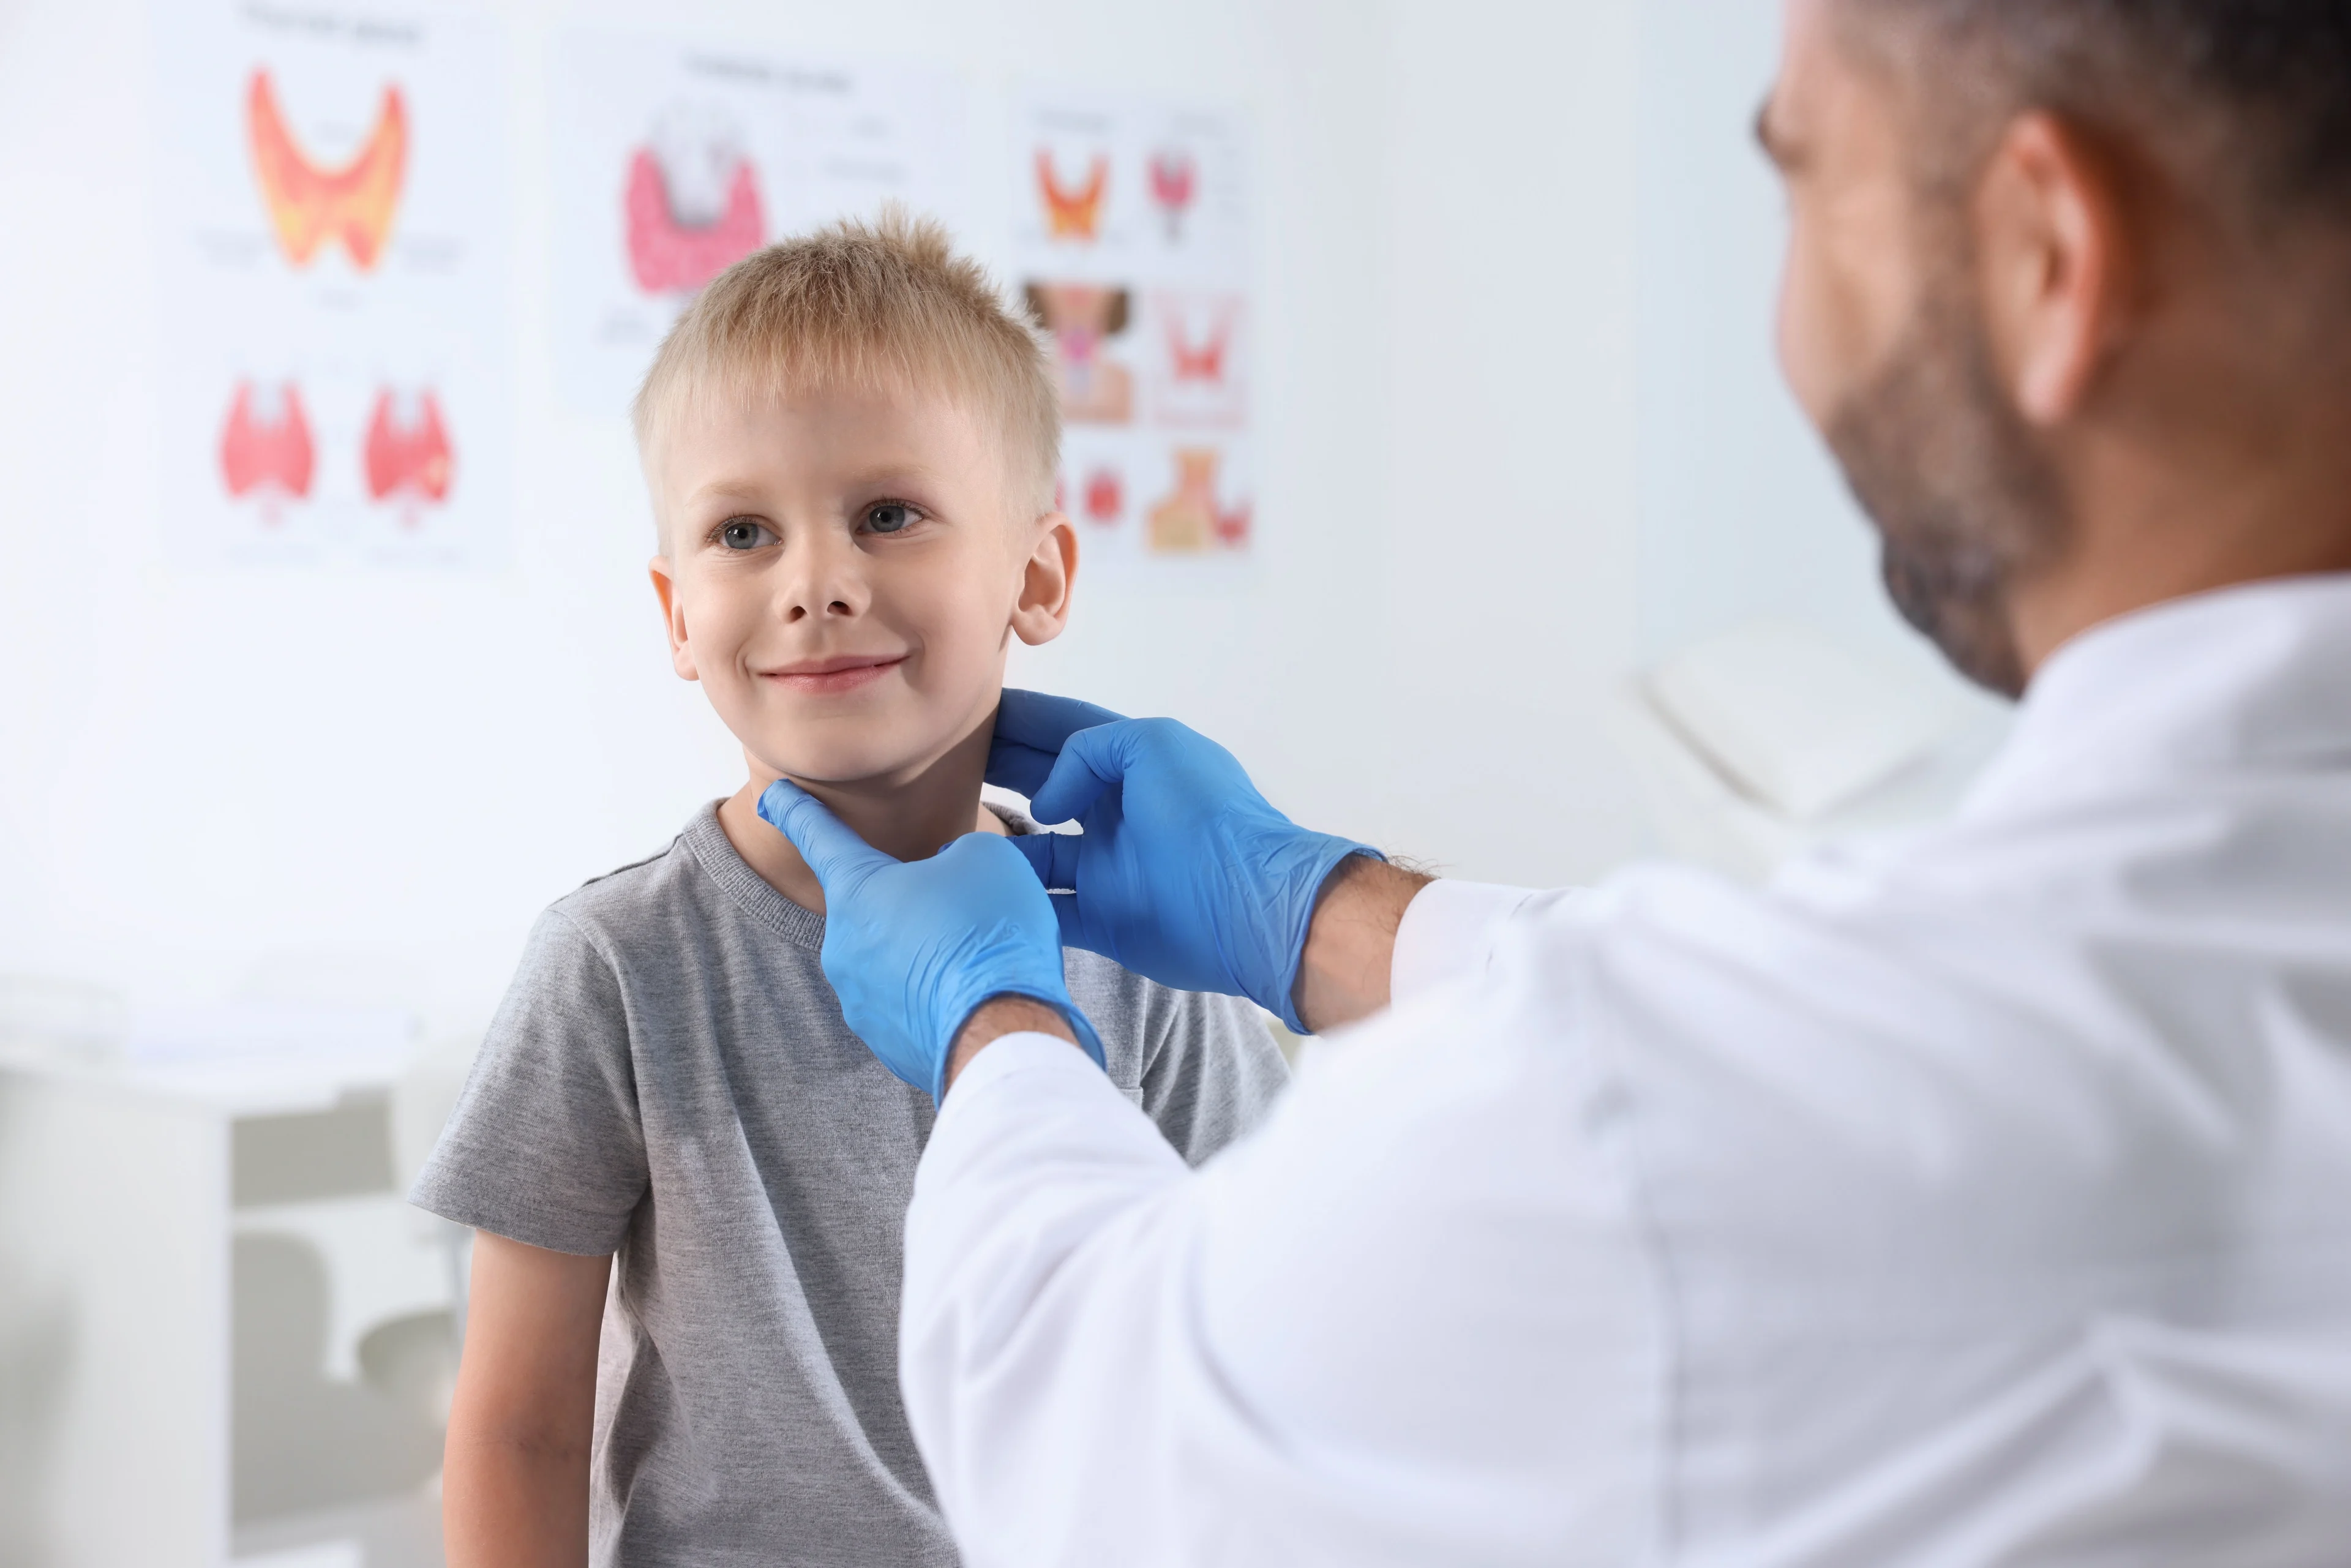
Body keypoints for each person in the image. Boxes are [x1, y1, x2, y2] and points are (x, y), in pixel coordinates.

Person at [763, 1, 2351, 1562]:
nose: (820, 585)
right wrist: (1342, 919)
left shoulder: (1641, 1132)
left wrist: (997, 1027)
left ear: (2046, 258)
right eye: (741, 527)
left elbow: (1093, 1442)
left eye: (1803, 183)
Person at [410, 214, 1289, 1567]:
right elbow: (517, 1428)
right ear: (675, 614)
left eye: (889, 513)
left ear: (1037, 575)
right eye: (743, 530)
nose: (815, 582)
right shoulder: (617, 965)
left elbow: (1242, 1354)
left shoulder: (1153, 948)